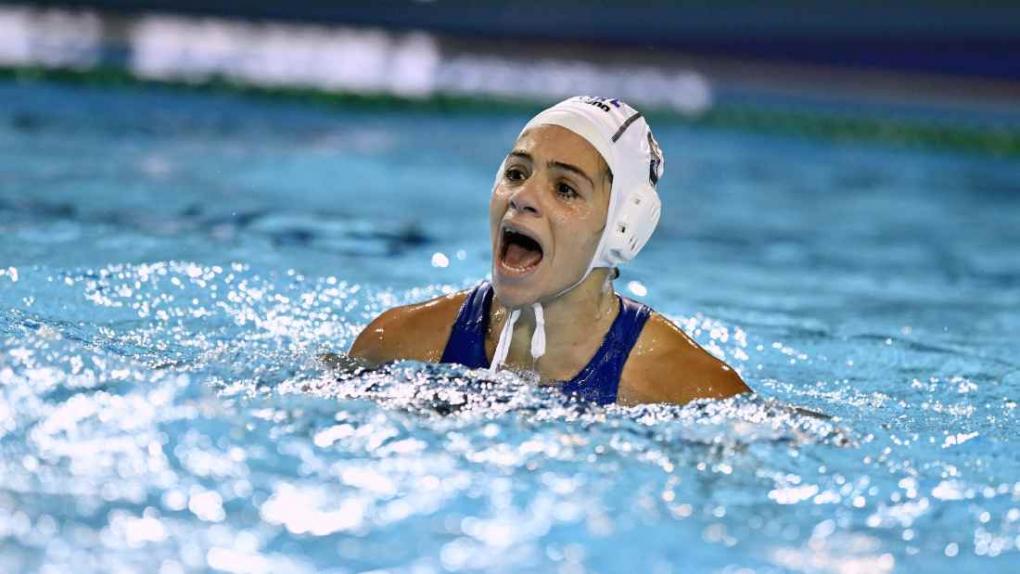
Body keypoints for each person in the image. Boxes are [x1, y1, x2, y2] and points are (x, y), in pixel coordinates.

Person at [347, 96, 750, 406]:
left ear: (623, 228)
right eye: (516, 173)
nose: (522, 197)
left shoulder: (688, 389)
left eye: (564, 189)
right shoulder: (397, 345)